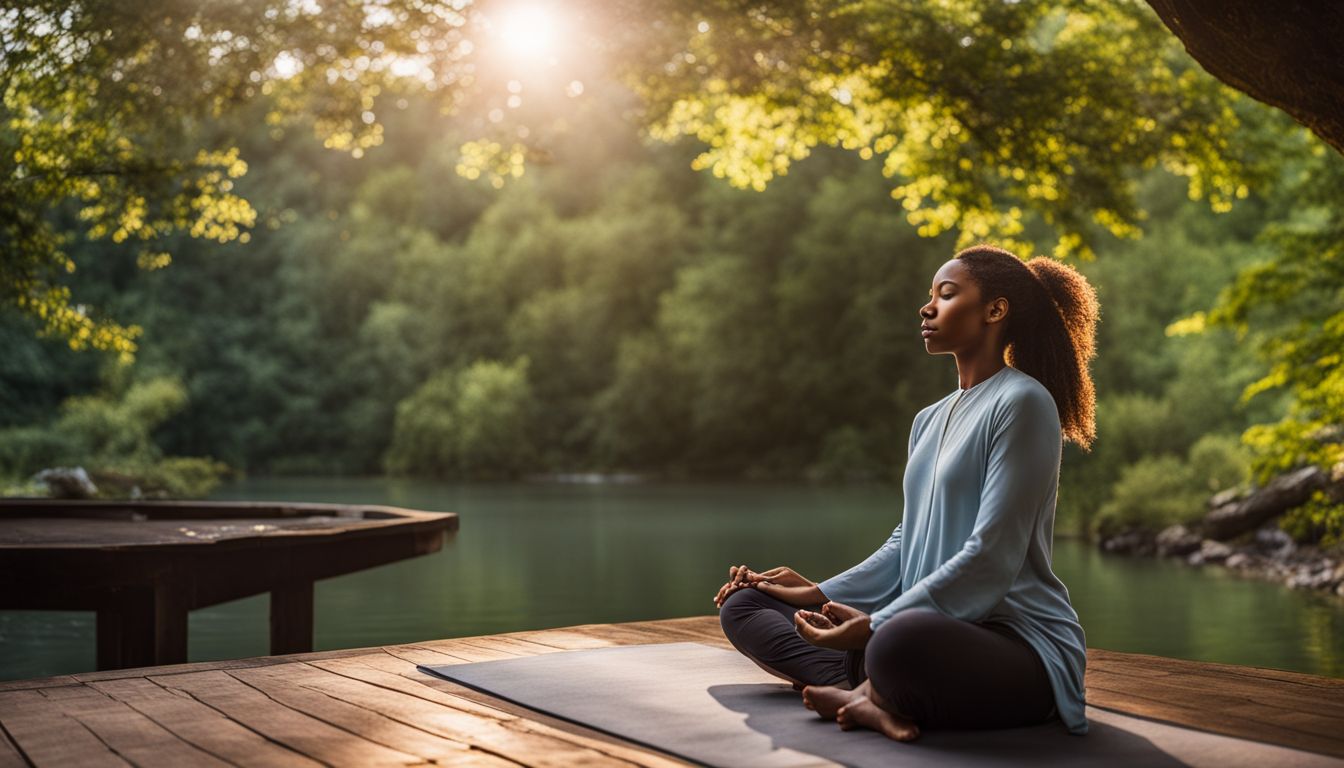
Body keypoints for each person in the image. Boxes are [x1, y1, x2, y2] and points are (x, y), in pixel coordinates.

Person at [713, 243, 1097, 741]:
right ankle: (879, 690)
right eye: (930, 295)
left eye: (947, 294)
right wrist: (819, 593)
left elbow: (993, 555)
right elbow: (905, 540)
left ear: (995, 310)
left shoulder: (1024, 402)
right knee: (744, 606)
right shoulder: (928, 419)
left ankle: (877, 685)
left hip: (1013, 646)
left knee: (900, 640)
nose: (927, 307)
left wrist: (877, 624)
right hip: (920, 634)